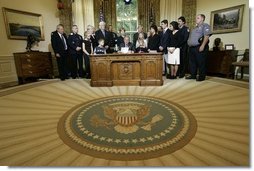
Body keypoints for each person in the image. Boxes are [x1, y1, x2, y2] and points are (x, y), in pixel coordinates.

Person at [186, 14, 212, 81]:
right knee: (192, 63)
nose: (196, 19)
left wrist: (202, 45)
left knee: (201, 62)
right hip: (192, 48)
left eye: (198, 18)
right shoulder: (194, 28)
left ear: (202, 19)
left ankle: (201, 76)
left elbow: (206, 36)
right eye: (196, 18)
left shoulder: (205, 26)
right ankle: (193, 75)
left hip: (199, 47)